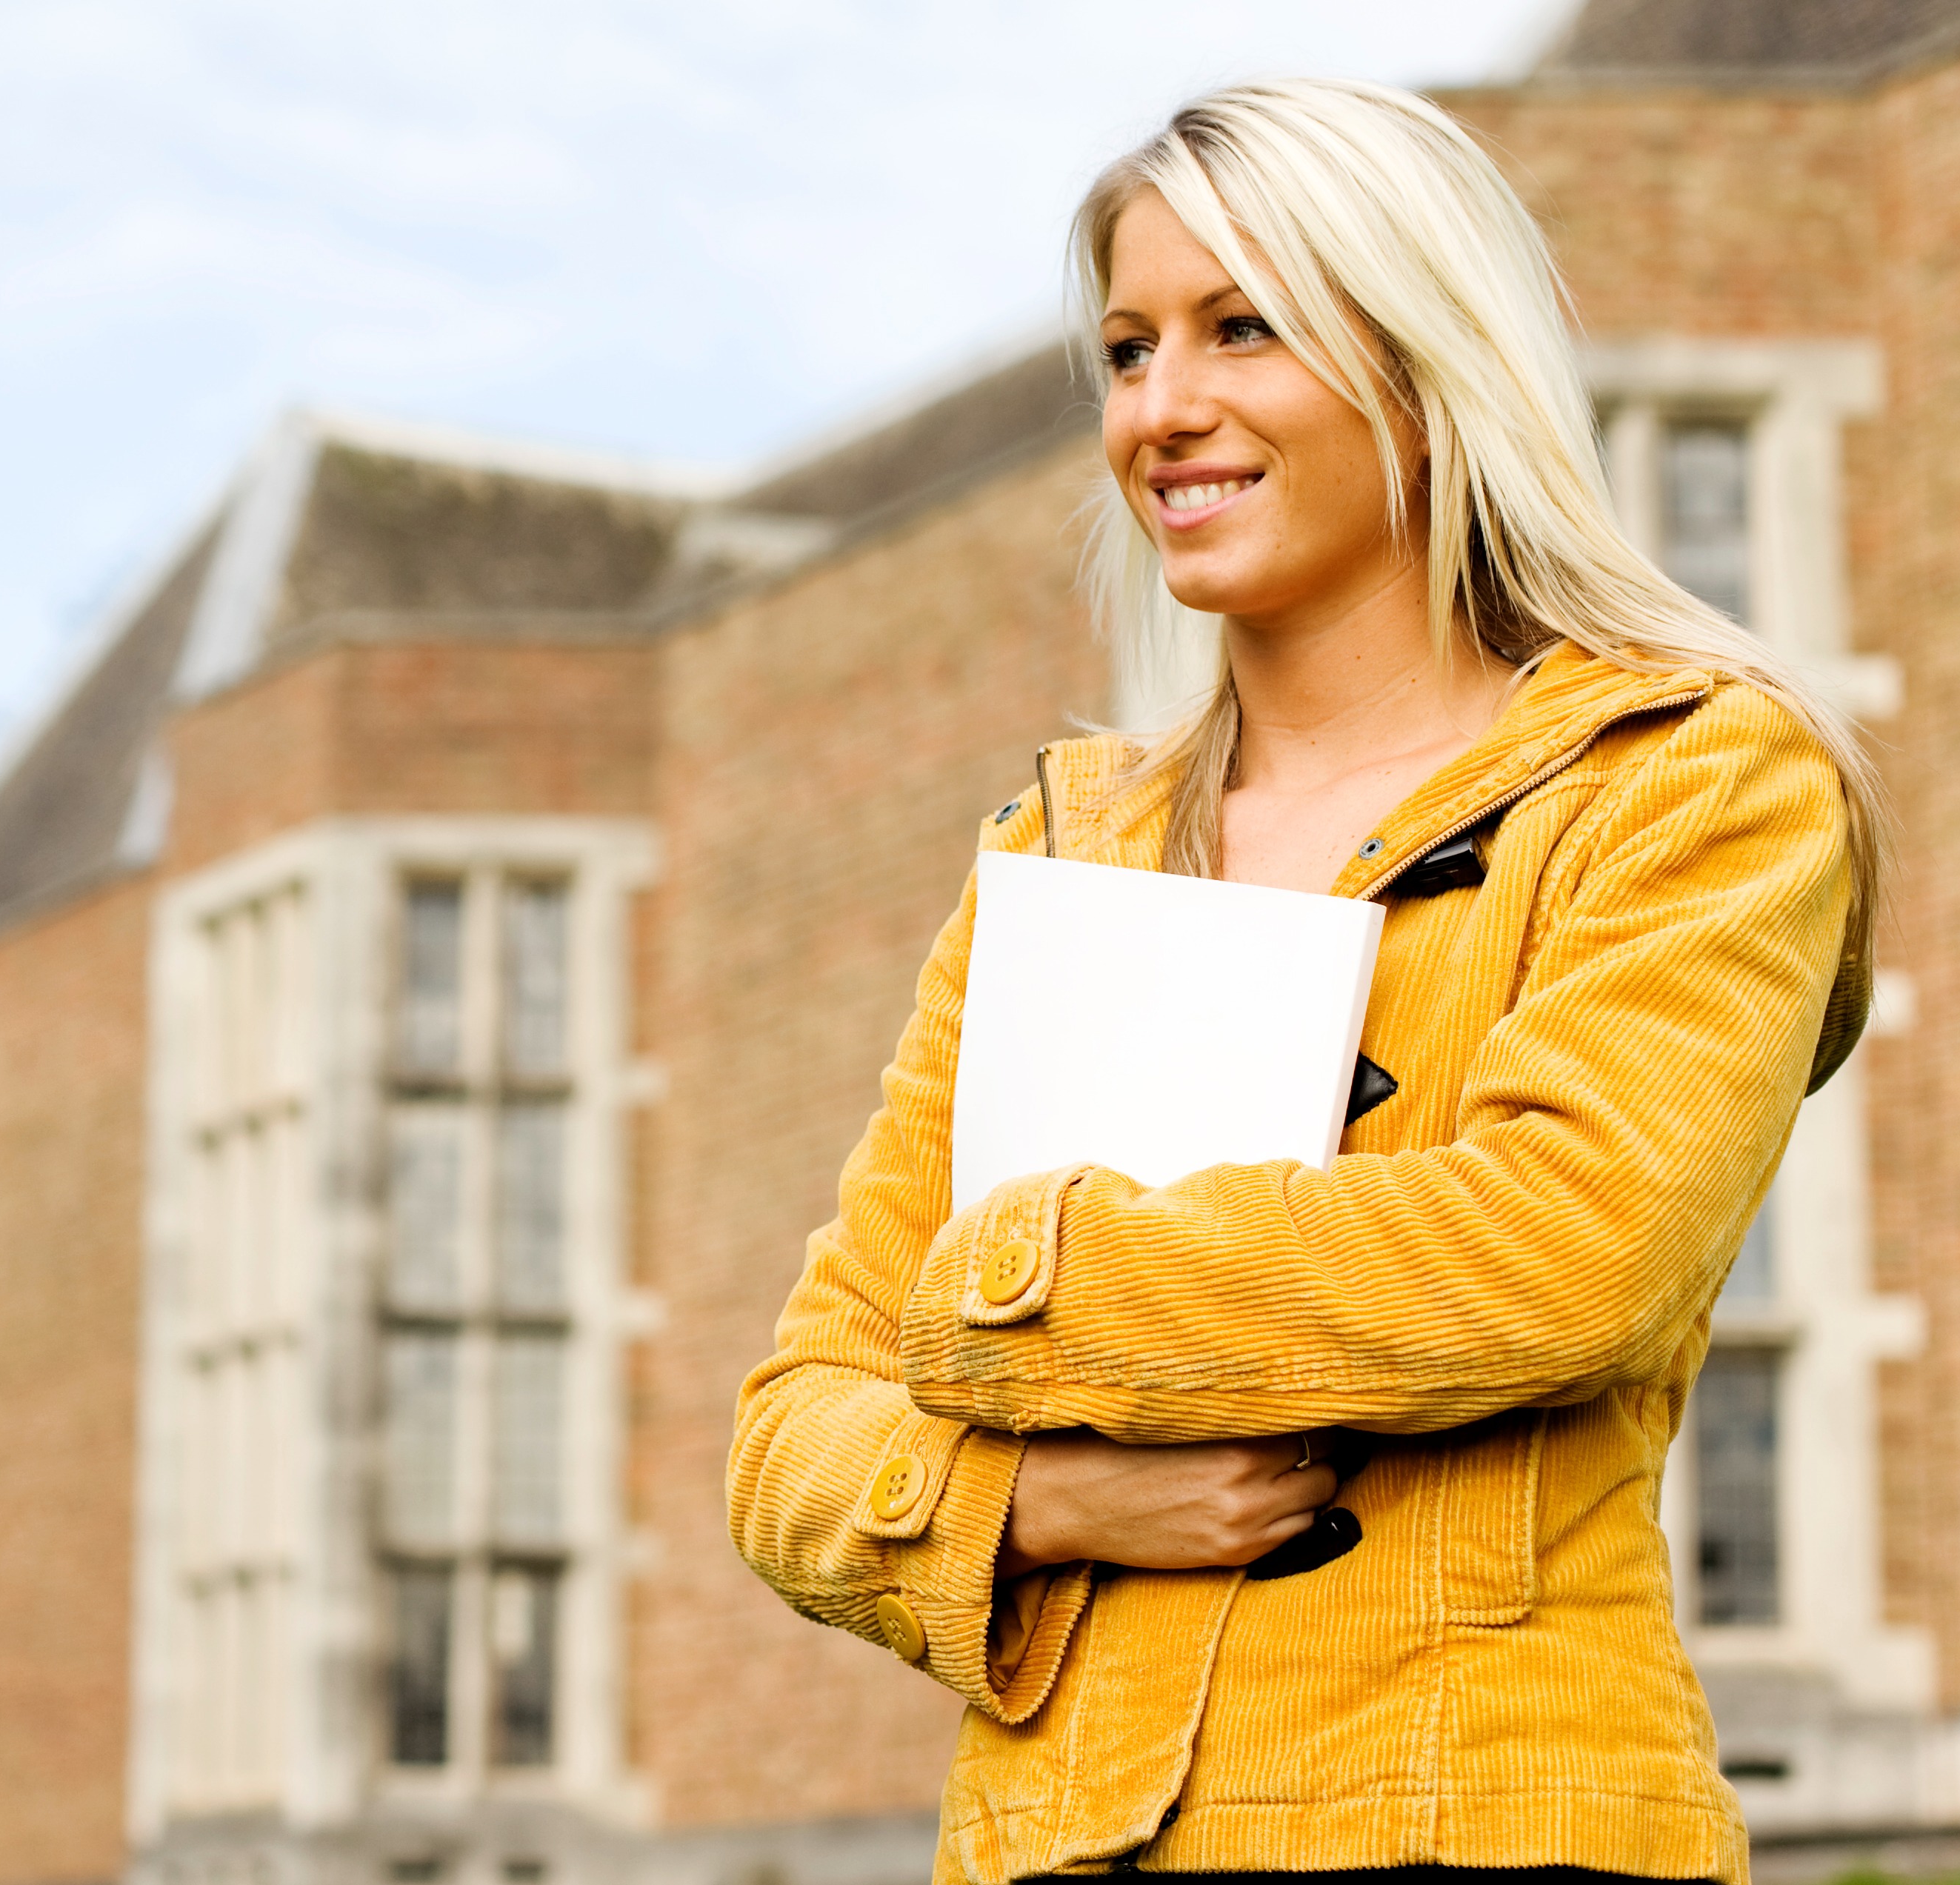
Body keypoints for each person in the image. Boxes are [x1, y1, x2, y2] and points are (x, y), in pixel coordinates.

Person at [725, 78, 1887, 1885]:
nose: (1160, 408)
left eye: (1239, 327)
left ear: (1423, 357)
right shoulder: (1061, 840)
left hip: (1494, 1824)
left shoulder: (1693, 779)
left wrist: (1024, 1284)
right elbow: (796, 1426)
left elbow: (1563, 1248)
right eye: (1125, 349)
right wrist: (1043, 1497)